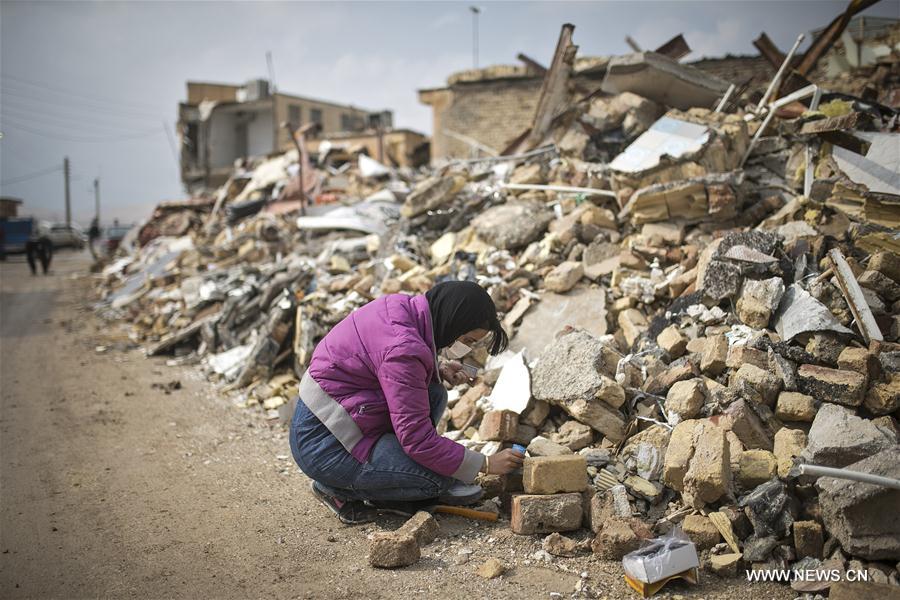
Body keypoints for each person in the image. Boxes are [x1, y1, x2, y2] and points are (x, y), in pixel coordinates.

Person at [289, 280, 525, 524]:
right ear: (451, 322)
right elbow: (417, 439)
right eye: (465, 339)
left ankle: (384, 474)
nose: (465, 348)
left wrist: (438, 367)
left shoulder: (402, 307)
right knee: (435, 481)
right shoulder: (403, 350)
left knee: (435, 393)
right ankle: (336, 489)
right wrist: (485, 463)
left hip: (331, 417)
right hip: (324, 446)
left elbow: (384, 363)